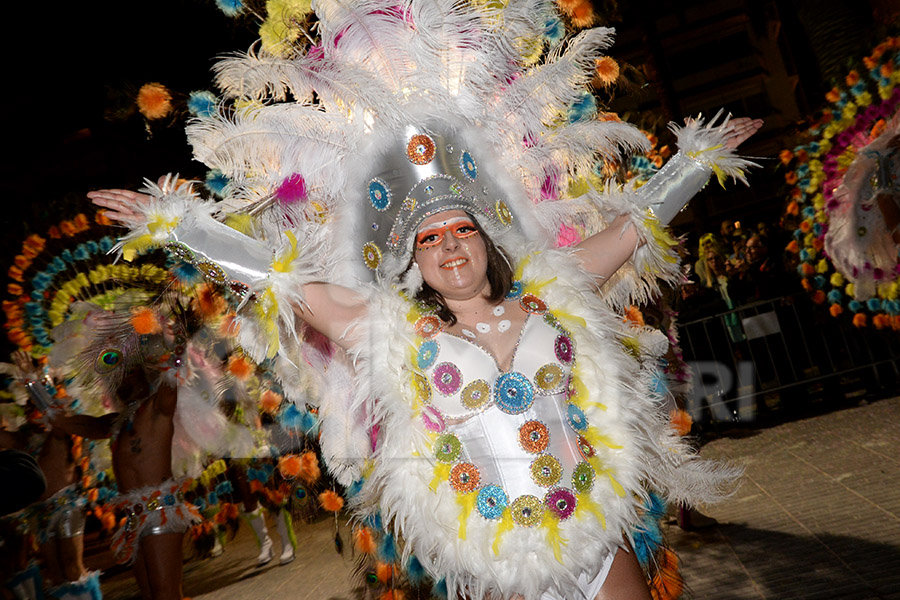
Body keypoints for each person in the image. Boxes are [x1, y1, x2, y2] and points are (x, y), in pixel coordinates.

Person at [88, 3, 761, 598]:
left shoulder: (554, 293)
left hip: (594, 533)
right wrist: (179, 225)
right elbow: (277, 277)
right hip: (496, 561)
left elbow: (635, 225)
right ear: (413, 260)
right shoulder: (395, 334)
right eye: (430, 239)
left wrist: (697, 160)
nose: (450, 246)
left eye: (462, 230)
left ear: (487, 237)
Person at [1, 352, 100, 600]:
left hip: (66, 506)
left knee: (71, 566)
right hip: (39, 514)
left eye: (35, 401)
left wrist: (31, 379)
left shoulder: (60, 429)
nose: (32, 407)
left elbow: (53, 411)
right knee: (55, 574)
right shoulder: (23, 437)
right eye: (28, 403)